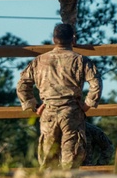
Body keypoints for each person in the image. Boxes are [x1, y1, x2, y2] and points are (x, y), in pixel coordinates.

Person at [16, 23, 102, 169]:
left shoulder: (39, 61)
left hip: (48, 111)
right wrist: (88, 104)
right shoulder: (80, 60)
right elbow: (96, 83)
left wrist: (34, 105)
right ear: (73, 39)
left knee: (48, 160)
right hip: (72, 112)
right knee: (71, 160)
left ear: (54, 39)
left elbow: (22, 85)